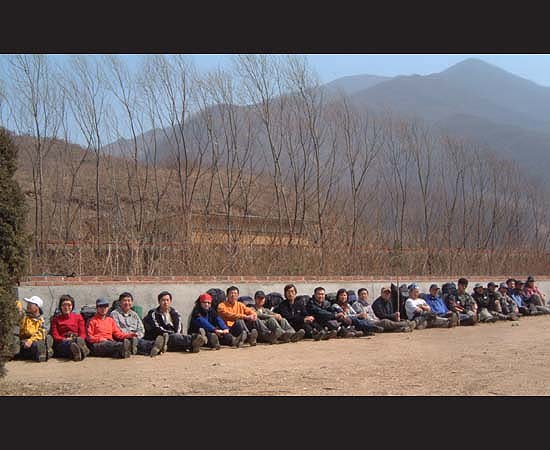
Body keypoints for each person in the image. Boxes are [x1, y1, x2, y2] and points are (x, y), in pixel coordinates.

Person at [110, 292, 167, 357]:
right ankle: (156, 346)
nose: (127, 303)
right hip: (123, 338)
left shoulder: (134, 314)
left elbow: (141, 328)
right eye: (125, 301)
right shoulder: (114, 314)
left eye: (129, 301)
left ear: (132, 302)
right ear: (120, 302)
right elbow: (116, 329)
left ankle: (155, 347)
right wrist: (129, 335)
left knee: (138, 342)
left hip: (136, 338)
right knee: (136, 343)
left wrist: (137, 336)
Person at [49, 294, 90, 361]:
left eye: (69, 305)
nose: (66, 307)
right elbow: (55, 335)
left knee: (76, 342)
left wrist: (79, 339)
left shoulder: (78, 317)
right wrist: (64, 339)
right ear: (60, 307)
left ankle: (78, 351)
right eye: (64, 305)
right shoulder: (55, 319)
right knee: (68, 345)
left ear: (72, 306)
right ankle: (81, 351)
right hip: (62, 342)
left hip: (76, 339)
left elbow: (83, 333)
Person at [13, 296, 52, 362]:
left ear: (37, 307)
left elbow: (41, 333)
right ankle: (45, 352)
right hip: (23, 341)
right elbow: (18, 309)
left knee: (36, 344)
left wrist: (30, 340)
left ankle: (44, 351)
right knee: (18, 346)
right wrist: (18, 305)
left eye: (30, 304)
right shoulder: (25, 317)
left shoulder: (42, 320)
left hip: (34, 341)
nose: (27, 306)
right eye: (28, 304)